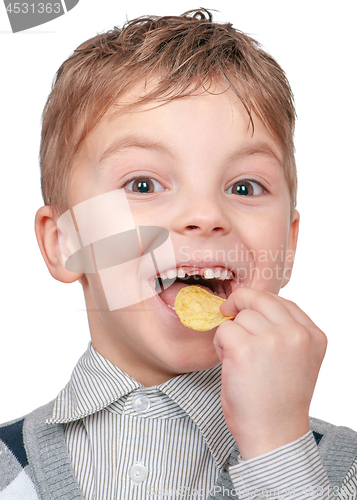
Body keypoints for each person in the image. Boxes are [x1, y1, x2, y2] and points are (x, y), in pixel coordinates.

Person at [1, 8, 356, 500]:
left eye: (245, 186)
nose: (205, 214)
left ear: (289, 244)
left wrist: (279, 449)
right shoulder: (8, 472)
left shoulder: (343, 470)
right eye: (143, 184)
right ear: (66, 241)